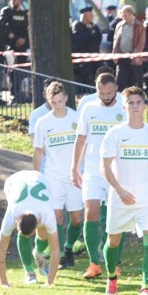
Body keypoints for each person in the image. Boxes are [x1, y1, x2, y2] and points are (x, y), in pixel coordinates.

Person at [100, 86, 148, 295]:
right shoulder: (115, 134)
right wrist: (120, 190)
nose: (135, 106)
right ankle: (111, 278)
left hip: (147, 199)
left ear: (145, 105)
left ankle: (145, 288)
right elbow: (105, 167)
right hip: (120, 199)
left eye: (139, 102)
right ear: (124, 106)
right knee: (113, 241)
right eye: (131, 103)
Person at [71, 73, 126, 279]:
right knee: (90, 213)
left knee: (115, 219)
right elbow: (81, 139)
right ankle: (94, 263)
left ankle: (115, 262)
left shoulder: (124, 107)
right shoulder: (88, 108)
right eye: (101, 92)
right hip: (93, 172)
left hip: (116, 173)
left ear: (116, 88)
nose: (105, 96)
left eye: (109, 92)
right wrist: (74, 167)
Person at [33, 82, 84, 269]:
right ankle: (61, 254)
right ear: (48, 100)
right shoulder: (43, 122)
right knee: (56, 217)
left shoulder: (77, 118)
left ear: (66, 99)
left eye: (60, 101)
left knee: (77, 218)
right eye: (54, 102)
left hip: (75, 175)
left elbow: (85, 144)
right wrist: (36, 176)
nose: (58, 105)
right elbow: (38, 151)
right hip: (52, 176)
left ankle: (69, 247)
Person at [0, 170, 59, 287]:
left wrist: (49, 281)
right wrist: (3, 282)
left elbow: (55, 249)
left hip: (40, 179)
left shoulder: (47, 214)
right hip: (13, 182)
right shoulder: (11, 215)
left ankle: (38, 253)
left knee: (45, 232)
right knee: (23, 235)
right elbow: (0, 248)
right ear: (16, 221)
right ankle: (29, 271)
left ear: (35, 229)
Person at [0, 0, 29, 102]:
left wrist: (24, 39)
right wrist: (15, 39)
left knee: (21, 71)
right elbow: (3, 26)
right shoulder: (6, 12)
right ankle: (13, 93)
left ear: (20, 1)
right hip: (10, 47)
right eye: (12, 0)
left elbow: (28, 28)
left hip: (22, 47)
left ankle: (20, 94)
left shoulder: (25, 13)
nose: (13, 1)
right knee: (11, 71)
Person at [112, 5, 145, 92]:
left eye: (124, 14)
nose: (122, 16)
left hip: (133, 60)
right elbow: (115, 41)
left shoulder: (139, 26)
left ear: (130, 14)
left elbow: (141, 43)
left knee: (136, 83)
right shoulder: (119, 25)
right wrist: (115, 54)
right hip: (122, 58)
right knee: (119, 82)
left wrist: (134, 55)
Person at [71, 6, 102, 86]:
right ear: (84, 16)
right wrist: (88, 31)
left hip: (95, 57)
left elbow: (98, 39)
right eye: (90, 15)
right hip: (84, 60)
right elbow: (79, 41)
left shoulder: (94, 26)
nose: (92, 17)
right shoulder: (77, 26)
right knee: (88, 79)